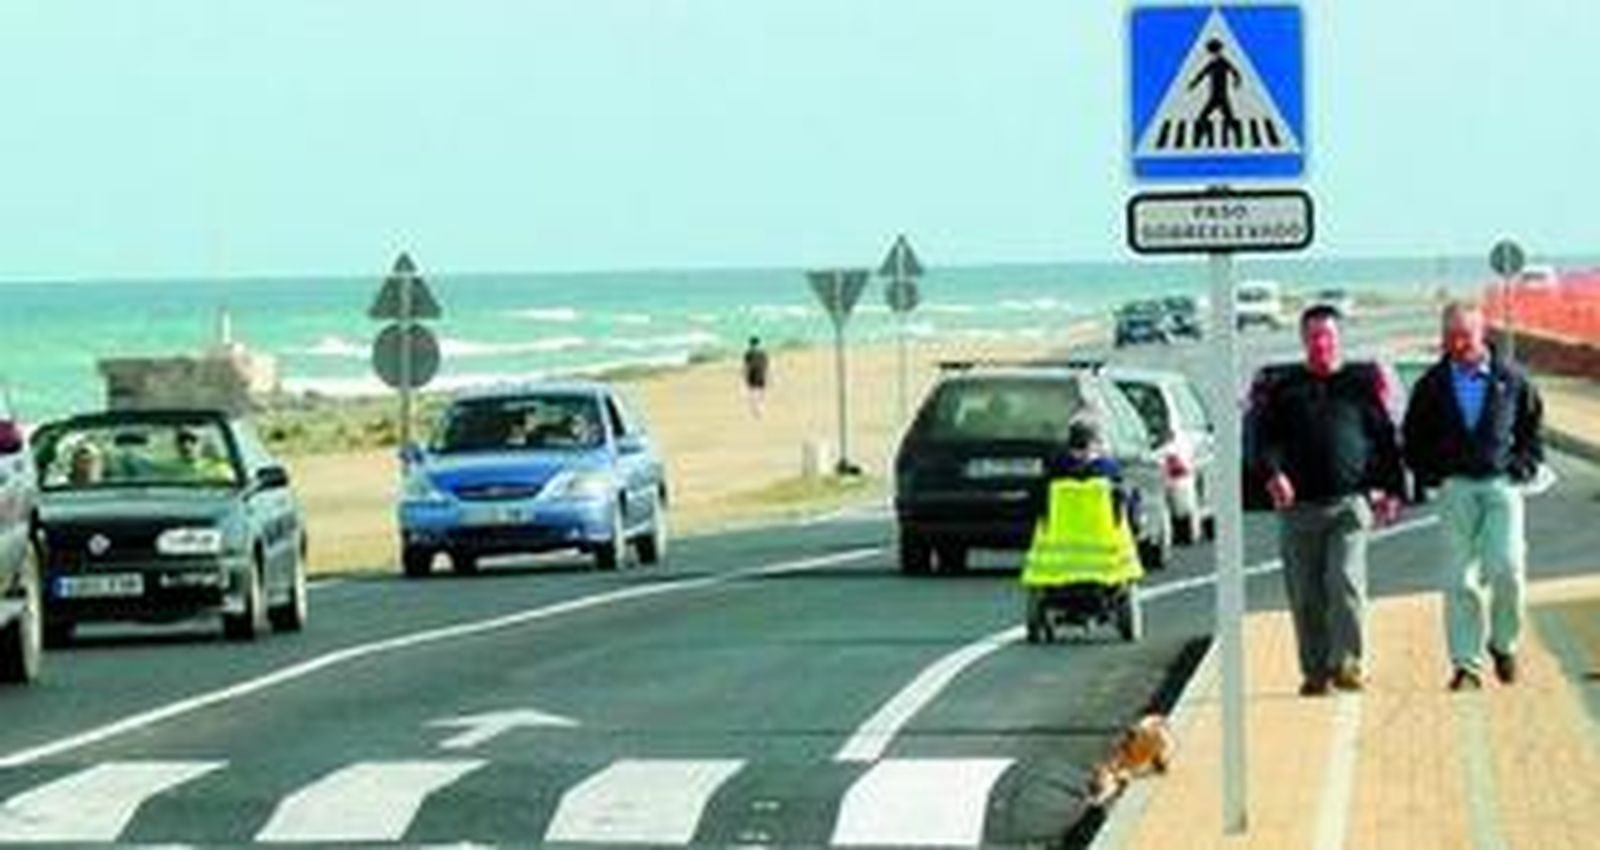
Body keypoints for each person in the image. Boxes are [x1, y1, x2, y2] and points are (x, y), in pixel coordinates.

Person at [1253, 304, 1405, 696]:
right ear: (1304, 340)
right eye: (1314, 336)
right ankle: (1316, 673)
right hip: (1298, 510)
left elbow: (1384, 439)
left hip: (1349, 507)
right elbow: (1262, 441)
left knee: (1345, 583)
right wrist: (1273, 474)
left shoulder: (1359, 384)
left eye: (1327, 336)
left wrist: (1392, 490)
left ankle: (1349, 664)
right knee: (1306, 597)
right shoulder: (1284, 389)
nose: (1321, 343)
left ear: (1338, 339)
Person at [1402, 301, 1544, 691]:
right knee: (1458, 579)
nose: (1457, 343)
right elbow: (1412, 437)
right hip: (1455, 489)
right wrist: (1431, 475)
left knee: (1508, 569)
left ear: (1482, 334)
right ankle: (1466, 665)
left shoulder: (1511, 378)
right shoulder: (1431, 385)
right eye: (1450, 336)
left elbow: (1533, 428)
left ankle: (1503, 644)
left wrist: (1524, 465)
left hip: (1501, 485)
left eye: (1464, 335)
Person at [742, 337, 769, 418]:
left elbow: (746, 366)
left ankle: (756, 410)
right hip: (761, 374)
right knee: (761, 392)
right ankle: (761, 409)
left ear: (750, 344)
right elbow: (766, 365)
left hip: (752, 374)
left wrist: (744, 376)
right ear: (759, 344)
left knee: (753, 392)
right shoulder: (762, 353)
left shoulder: (748, 353)